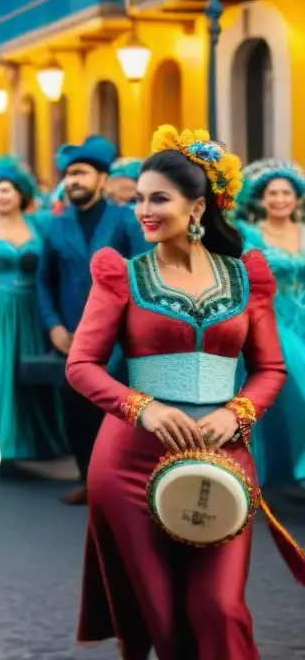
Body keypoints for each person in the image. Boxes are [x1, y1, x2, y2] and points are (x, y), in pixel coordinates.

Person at [65, 125, 302, 659]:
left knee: (219, 607)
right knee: (163, 622)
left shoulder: (248, 277)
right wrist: (141, 408)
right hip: (129, 461)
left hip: (226, 456)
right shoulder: (119, 276)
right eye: (139, 199)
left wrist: (237, 413)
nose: (143, 210)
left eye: (158, 199)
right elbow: (81, 366)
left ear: (197, 208)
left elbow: (270, 369)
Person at [36, 136, 147, 504]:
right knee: (77, 412)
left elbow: (142, 273)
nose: (73, 181)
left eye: (81, 173)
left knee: (116, 409)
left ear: (102, 179)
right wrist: (53, 325)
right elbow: (44, 280)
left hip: (119, 336)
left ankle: (118, 481)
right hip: (71, 334)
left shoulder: (125, 220)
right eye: (69, 175)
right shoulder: (57, 225)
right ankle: (88, 479)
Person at [0, 156, 68, 461]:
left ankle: (34, 442)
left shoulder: (40, 223)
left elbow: (51, 270)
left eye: (7, 190)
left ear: (22, 194)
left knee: (30, 373)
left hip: (32, 309)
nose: (0, 197)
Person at [236, 158, 305, 489]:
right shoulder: (250, 234)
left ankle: (289, 472)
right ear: (261, 199)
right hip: (272, 321)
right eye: (272, 193)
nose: (279, 199)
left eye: (286, 192)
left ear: (297, 197)